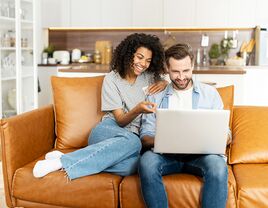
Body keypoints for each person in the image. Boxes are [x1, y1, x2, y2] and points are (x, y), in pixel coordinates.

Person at [33, 33, 167, 180]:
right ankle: (61, 162)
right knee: (135, 142)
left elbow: (170, 83)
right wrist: (138, 109)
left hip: (128, 142)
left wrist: (164, 82)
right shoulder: (112, 79)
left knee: (132, 166)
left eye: (148, 60)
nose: (143, 64)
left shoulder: (149, 77)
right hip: (108, 131)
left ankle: (71, 157)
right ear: (129, 54)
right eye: (139, 57)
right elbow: (121, 120)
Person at [138, 43, 229, 208]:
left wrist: (220, 138)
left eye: (186, 71)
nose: (181, 77)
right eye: (175, 71)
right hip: (166, 156)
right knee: (146, 163)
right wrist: (167, 138)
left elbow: (226, 134)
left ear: (192, 66)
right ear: (167, 68)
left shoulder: (210, 94)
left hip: (201, 157)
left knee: (218, 166)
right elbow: (145, 136)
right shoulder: (155, 96)